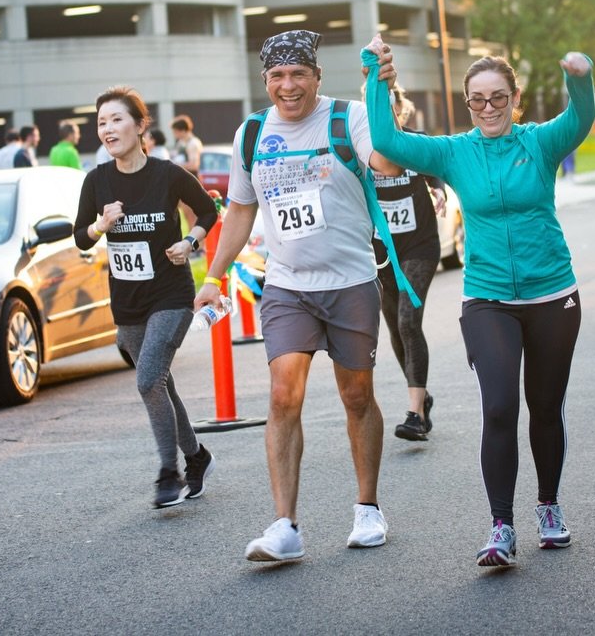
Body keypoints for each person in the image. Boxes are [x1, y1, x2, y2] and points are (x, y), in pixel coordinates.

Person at [362, 37, 595, 568]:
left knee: (543, 406)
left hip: (552, 292)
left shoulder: (538, 143)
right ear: (467, 104)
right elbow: (385, 138)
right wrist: (379, 77)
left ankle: (549, 506)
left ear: (515, 99)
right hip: (487, 296)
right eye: (477, 100)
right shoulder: (453, 152)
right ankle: (502, 526)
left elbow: (580, 118)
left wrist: (579, 77)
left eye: (497, 98)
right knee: (498, 406)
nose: (487, 109)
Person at [194, 29, 398, 562]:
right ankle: (285, 526)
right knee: (284, 395)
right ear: (265, 80)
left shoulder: (346, 117)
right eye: (277, 76)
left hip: (351, 280)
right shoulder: (252, 133)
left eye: (298, 74)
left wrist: (380, 93)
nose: (288, 86)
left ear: (316, 76)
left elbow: (388, 163)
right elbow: (240, 210)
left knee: (356, 396)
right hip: (287, 285)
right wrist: (213, 278)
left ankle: (367, 507)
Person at [74, 86, 218, 508]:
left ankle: (168, 472)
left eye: (116, 119)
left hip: (171, 294)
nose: (107, 129)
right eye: (101, 122)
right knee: (160, 383)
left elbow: (208, 210)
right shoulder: (96, 181)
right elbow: (80, 236)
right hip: (128, 302)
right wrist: (101, 225)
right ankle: (197, 456)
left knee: (147, 380)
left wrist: (190, 241)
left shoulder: (167, 174)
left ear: (140, 126)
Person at [371, 86, 444, 442]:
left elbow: (436, 170)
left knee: (408, 320)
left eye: (391, 104)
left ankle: (414, 413)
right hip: (380, 253)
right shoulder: (364, 148)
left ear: (402, 109)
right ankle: (422, 396)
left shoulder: (415, 141)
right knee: (396, 329)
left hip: (419, 247)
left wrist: (440, 190)